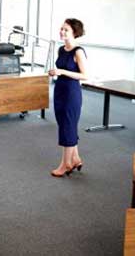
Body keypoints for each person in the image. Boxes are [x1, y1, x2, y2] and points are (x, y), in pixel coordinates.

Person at [49, 18, 88, 177]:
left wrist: (62, 72)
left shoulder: (78, 51)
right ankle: (76, 158)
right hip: (60, 90)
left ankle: (66, 165)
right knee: (65, 125)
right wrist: (56, 72)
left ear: (74, 32)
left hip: (71, 93)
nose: (62, 32)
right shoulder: (61, 49)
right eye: (61, 29)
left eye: (66, 30)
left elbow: (85, 75)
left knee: (68, 126)